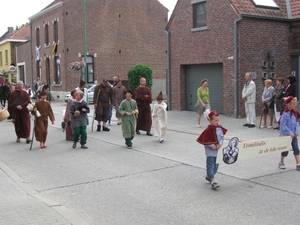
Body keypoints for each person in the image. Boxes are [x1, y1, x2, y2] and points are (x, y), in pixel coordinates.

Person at [196, 109, 227, 190]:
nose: (217, 122)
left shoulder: (219, 129)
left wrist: (220, 144)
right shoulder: (207, 130)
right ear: (210, 120)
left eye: (218, 120)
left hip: (217, 151)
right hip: (210, 152)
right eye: (215, 120)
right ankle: (213, 181)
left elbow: (221, 137)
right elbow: (206, 140)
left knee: (216, 166)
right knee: (211, 165)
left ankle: (209, 176)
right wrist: (211, 145)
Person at [278, 96, 300, 170]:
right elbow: (283, 125)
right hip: (286, 135)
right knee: (285, 150)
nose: (295, 105)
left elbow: (297, 123)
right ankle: (281, 161)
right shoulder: (285, 114)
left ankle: (298, 163)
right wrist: (290, 133)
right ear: (289, 104)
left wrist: (297, 131)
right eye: (294, 104)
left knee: (296, 149)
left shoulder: (294, 113)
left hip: (294, 135)